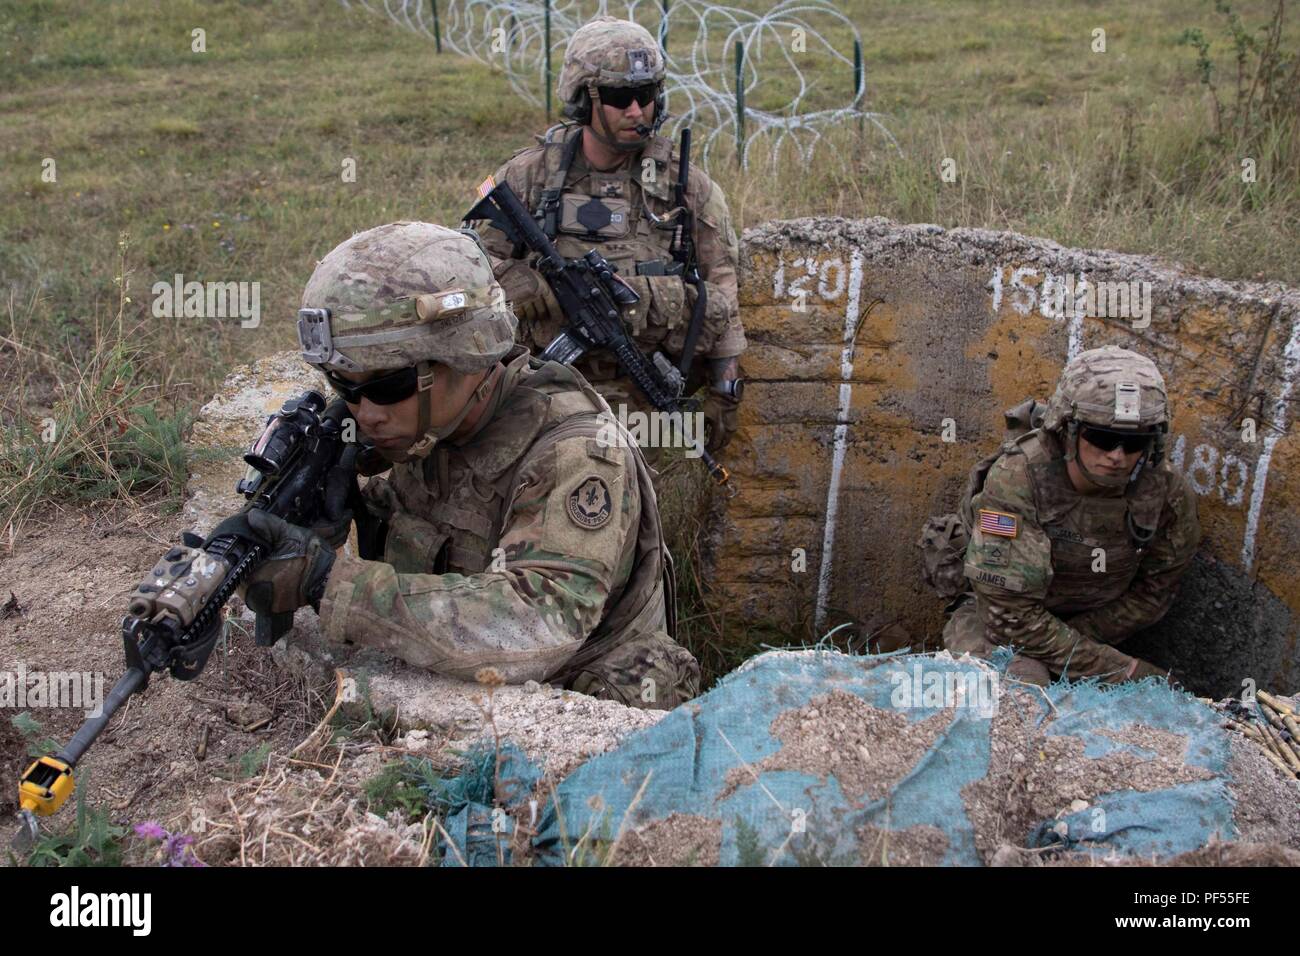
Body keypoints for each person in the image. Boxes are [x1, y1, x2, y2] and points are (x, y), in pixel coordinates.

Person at [216, 221, 699, 710]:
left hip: (578, 699)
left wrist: (329, 583)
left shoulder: (576, 451)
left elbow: (537, 621)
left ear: (464, 356)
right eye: (344, 387)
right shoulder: (435, 423)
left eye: (386, 386)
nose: (365, 413)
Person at [470, 15, 746, 458]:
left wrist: (725, 388)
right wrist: (513, 279)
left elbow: (723, 291)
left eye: (647, 95)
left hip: (643, 394)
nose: (637, 111)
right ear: (585, 98)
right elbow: (466, 272)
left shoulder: (685, 186)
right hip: (540, 386)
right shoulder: (530, 177)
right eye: (620, 98)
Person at [921, 346, 1201, 685]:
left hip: (1094, 625)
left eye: (1134, 443)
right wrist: (1121, 670)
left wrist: (1080, 646)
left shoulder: (1164, 492)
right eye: (1102, 438)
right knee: (1021, 685)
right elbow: (1008, 616)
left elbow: (1154, 593)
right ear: (1067, 430)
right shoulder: (1018, 480)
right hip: (993, 622)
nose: (1117, 456)